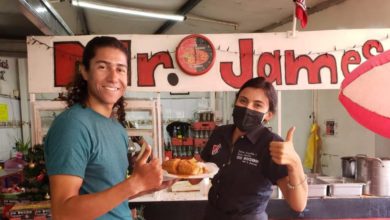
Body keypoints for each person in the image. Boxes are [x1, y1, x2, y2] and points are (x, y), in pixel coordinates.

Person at [44, 36, 173, 219]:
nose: (113, 77)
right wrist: (134, 183)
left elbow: (112, 198)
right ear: (85, 71)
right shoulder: (72, 126)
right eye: (102, 67)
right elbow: (63, 212)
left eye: (120, 69)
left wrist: (146, 185)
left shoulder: (116, 128)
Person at [200, 77, 308, 220]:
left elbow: (298, 205)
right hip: (212, 215)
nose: (247, 108)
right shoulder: (220, 133)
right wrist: (173, 172)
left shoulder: (272, 144)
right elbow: (197, 171)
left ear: (268, 115)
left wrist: (295, 163)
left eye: (257, 105)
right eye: (243, 101)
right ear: (236, 102)